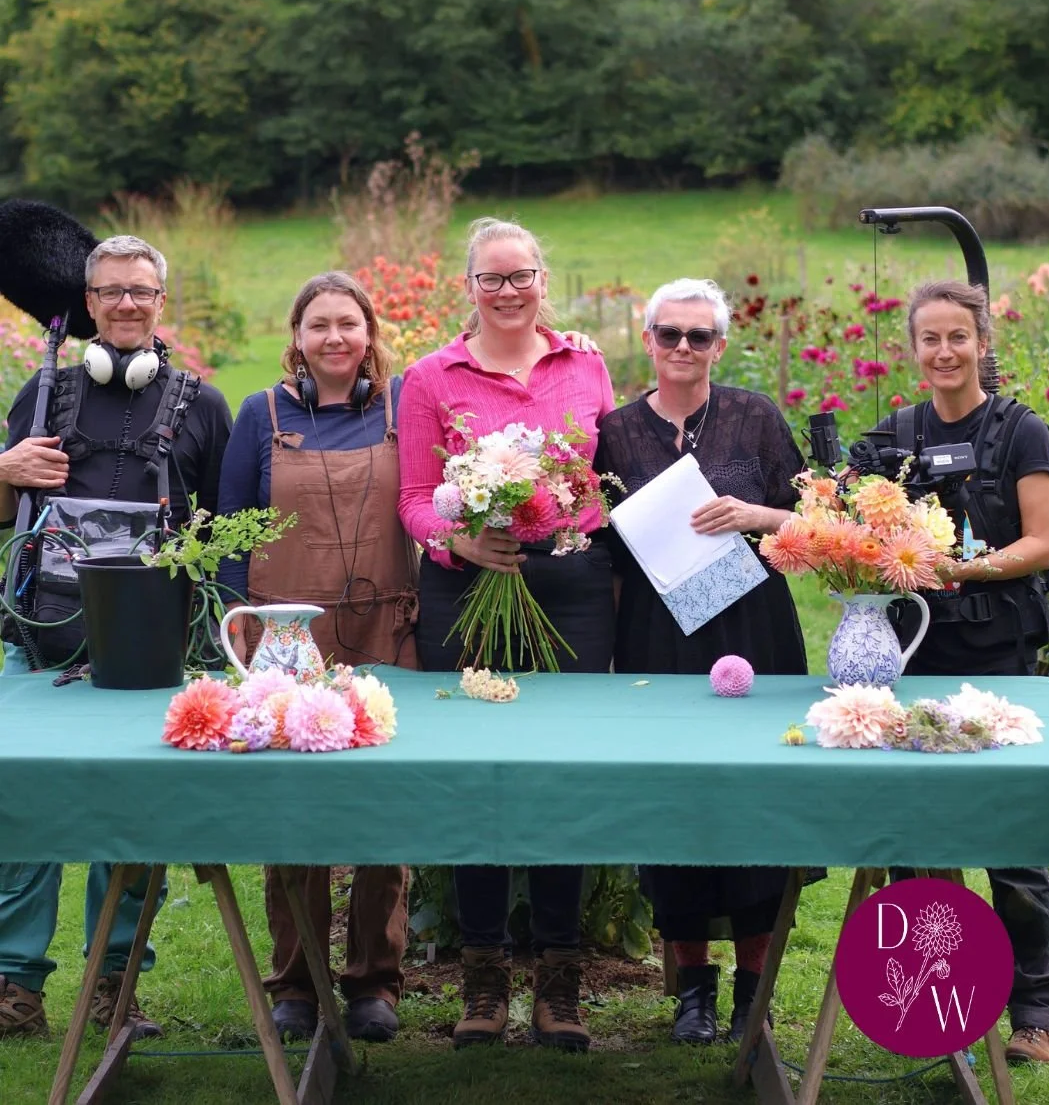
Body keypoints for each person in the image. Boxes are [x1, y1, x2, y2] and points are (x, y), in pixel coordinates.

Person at [0, 234, 232, 1041]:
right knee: (20, 813)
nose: (127, 304)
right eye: (111, 291)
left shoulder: (203, 406)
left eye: (142, 290)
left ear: (161, 302)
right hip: (40, 637)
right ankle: (14, 985)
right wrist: (5, 472)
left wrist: (210, 640)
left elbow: (223, 536)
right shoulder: (40, 394)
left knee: (131, 821)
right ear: (89, 303)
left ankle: (115, 981)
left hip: (151, 651)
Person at [397, 217, 616, 1053]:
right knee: (474, 770)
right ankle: (483, 973)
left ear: (542, 279)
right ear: (469, 288)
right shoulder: (430, 377)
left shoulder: (586, 363)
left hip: (570, 585)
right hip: (468, 588)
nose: (508, 291)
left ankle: (560, 975)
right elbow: (416, 495)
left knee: (564, 768)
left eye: (520, 275)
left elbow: (601, 476)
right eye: (491, 279)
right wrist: (458, 537)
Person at [595, 278, 807, 1047]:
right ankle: (693, 990)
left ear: (720, 345)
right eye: (669, 334)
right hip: (658, 634)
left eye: (699, 336)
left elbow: (813, 522)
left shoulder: (756, 417)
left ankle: (755, 987)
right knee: (672, 800)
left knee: (756, 798)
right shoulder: (615, 431)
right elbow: (607, 554)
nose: (683, 347)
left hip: (755, 625)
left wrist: (758, 515)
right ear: (648, 340)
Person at [216, 271, 418, 1045]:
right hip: (287, 642)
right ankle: (296, 979)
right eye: (318, 325)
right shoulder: (259, 415)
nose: (335, 338)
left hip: (385, 633)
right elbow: (232, 533)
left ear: (370, 334)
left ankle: (375, 980)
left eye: (349, 323)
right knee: (292, 806)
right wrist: (239, 636)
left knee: (381, 806)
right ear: (296, 338)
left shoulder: (403, 411)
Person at [877, 279, 1049, 1065]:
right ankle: (937, 999)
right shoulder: (894, 432)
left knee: (1009, 831)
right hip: (914, 652)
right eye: (931, 339)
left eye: (959, 337)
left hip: (998, 653)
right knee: (916, 835)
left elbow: (1042, 544)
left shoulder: (1022, 430)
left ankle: (1035, 1010)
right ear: (913, 349)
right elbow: (861, 520)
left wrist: (966, 568)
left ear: (981, 342)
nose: (945, 352)